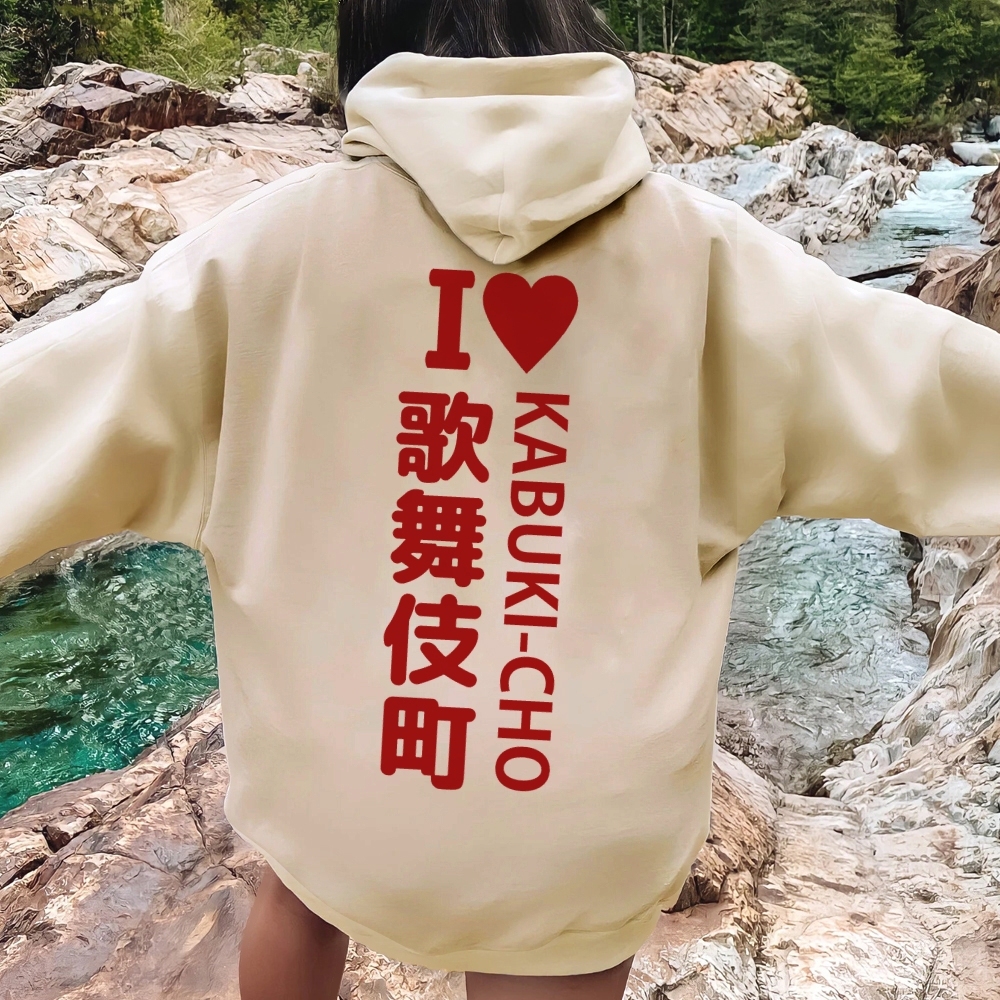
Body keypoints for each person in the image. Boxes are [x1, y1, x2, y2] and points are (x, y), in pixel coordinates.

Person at [2, 0, 1000, 996]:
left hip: (344, 789)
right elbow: (931, 390)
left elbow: (48, 414)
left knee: (299, 885)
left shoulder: (266, 248)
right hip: (579, 813)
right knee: (560, 930)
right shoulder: (714, 259)